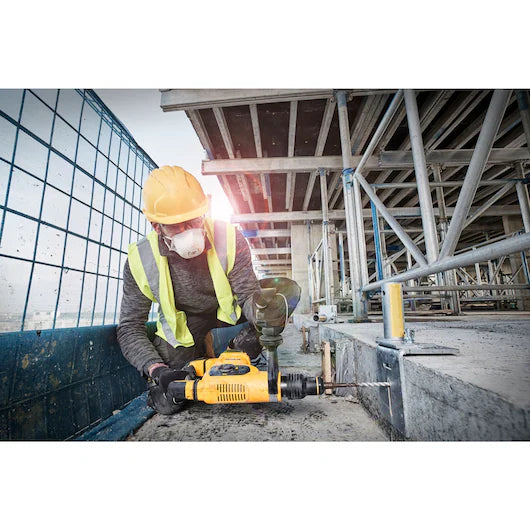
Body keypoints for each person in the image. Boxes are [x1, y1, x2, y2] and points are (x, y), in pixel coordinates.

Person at [117, 165, 287, 415]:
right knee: (171, 398)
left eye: (194, 220)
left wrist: (264, 313)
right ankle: (199, 359)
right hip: (185, 328)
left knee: (285, 294)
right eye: (176, 225)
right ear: (157, 226)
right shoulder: (140, 260)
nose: (188, 231)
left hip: (228, 314)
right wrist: (156, 369)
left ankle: (237, 352)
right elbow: (130, 326)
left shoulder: (229, 237)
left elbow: (247, 295)